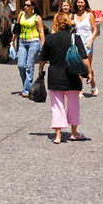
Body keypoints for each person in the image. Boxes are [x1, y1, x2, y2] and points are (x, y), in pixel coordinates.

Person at [38, 11, 93, 143]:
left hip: (55, 76)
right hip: (72, 75)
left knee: (57, 106)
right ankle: (74, 133)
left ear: (56, 24)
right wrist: (89, 72)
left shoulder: (50, 38)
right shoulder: (75, 38)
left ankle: (58, 135)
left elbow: (43, 58)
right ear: (69, 24)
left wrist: (40, 70)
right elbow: (84, 58)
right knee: (74, 104)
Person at [15, 0, 45, 98]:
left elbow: (41, 32)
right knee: (21, 65)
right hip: (23, 42)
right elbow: (17, 28)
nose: (26, 7)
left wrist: (43, 45)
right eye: (25, 5)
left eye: (28, 5)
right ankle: (27, 84)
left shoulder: (37, 17)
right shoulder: (21, 14)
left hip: (34, 42)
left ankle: (26, 90)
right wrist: (12, 40)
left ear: (32, 7)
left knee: (29, 66)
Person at [73, 0, 99, 96]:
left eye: (82, 2)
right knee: (78, 66)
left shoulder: (89, 15)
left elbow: (95, 30)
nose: (80, 4)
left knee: (86, 66)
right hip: (76, 43)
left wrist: (90, 41)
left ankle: (93, 84)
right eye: (78, 2)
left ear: (85, 3)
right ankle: (80, 89)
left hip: (87, 43)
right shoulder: (73, 15)